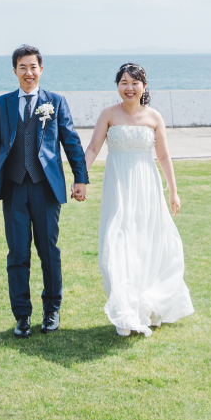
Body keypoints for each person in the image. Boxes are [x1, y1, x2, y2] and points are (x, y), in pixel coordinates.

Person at [0, 44, 89, 338]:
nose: (28, 73)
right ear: (15, 71)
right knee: (17, 254)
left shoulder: (55, 101)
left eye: (33, 67)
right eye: (22, 67)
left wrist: (80, 178)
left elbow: (71, 142)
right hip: (14, 188)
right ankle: (22, 317)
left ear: (41, 69)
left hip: (45, 188)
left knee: (48, 252)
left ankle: (51, 311)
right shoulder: (1, 104)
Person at [84, 62, 194, 337]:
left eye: (134, 83)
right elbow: (94, 147)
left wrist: (173, 190)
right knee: (116, 245)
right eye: (123, 82)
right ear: (117, 86)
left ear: (144, 86)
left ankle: (143, 306)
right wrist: (80, 178)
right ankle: (124, 310)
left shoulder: (154, 117)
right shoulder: (108, 114)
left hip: (147, 187)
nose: (129, 87)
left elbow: (164, 156)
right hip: (118, 187)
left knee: (148, 244)